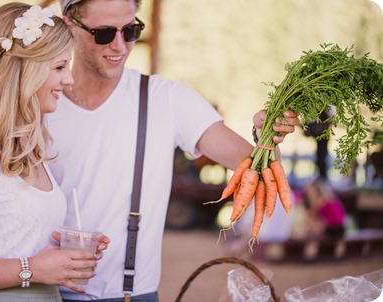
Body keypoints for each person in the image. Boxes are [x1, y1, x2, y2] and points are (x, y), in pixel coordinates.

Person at [45, 0, 300, 301]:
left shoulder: (165, 99)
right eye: (103, 33)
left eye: (130, 30)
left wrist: (267, 134)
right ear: (70, 27)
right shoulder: (39, 102)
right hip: (44, 294)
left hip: (131, 296)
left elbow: (259, 170)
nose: (120, 46)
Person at [0, 3, 109, 302]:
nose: (69, 80)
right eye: (60, 67)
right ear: (26, 70)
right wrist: (33, 270)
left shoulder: (29, 146)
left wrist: (61, 258)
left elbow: (12, 241)